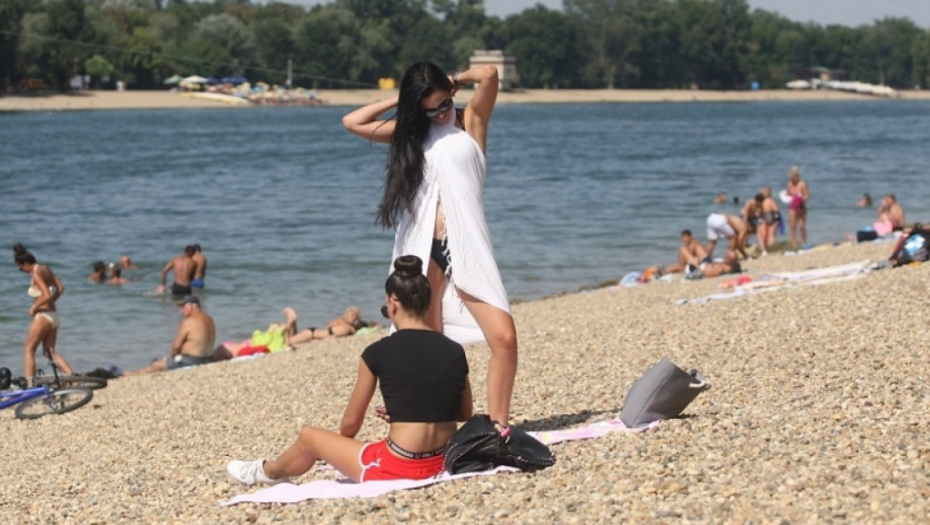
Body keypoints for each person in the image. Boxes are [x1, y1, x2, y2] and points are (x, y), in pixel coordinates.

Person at [342, 62, 516, 426]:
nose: (439, 114)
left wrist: (455, 80)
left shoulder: (471, 120)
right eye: (429, 109)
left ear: (451, 94)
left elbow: (489, 73)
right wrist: (404, 102)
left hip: (466, 246)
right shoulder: (411, 133)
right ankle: (440, 419)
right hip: (421, 250)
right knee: (431, 343)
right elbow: (353, 122)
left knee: (503, 337)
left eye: (443, 104)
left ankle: (499, 427)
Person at [226, 255, 473, 485]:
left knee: (309, 437)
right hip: (442, 461)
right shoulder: (454, 349)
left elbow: (350, 425)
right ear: (427, 303)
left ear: (393, 303)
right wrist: (407, 409)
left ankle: (267, 471)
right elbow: (463, 413)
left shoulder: (377, 352)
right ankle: (273, 471)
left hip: (399, 465)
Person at [13, 244, 73, 384]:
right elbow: (60, 288)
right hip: (53, 315)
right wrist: (52, 301)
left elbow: (45, 294)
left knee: (29, 350)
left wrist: (35, 307)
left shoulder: (36, 273)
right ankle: (72, 377)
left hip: (43, 316)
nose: (22, 271)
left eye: (21, 268)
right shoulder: (45, 268)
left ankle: (29, 384)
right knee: (49, 352)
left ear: (26, 263)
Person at [123, 295, 216, 375]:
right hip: (208, 359)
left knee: (156, 365)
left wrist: (172, 358)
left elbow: (176, 347)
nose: (181, 311)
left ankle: (131, 374)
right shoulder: (209, 319)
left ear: (190, 306)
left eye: (183, 307)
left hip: (191, 361)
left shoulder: (189, 321)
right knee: (163, 361)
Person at [786, 166, 810, 248]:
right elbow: (788, 194)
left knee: (801, 226)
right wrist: (787, 195)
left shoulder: (802, 184)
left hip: (801, 206)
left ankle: (804, 242)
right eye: (790, 178)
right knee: (792, 226)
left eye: (792, 178)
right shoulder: (789, 184)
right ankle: (794, 244)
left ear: (797, 177)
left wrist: (802, 199)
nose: (791, 180)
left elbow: (807, 195)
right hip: (792, 207)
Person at [759, 186, 782, 255]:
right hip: (772, 217)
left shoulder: (761, 202)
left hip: (764, 217)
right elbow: (776, 209)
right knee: (771, 235)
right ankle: (773, 249)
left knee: (764, 234)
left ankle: (764, 249)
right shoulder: (770, 201)